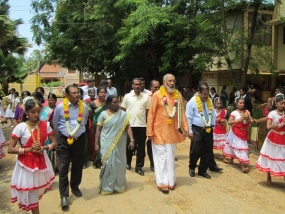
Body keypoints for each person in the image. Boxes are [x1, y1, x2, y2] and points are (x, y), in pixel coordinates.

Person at [8, 99, 57, 214]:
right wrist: (29, 149)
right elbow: (10, 149)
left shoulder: (46, 125)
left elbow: (54, 143)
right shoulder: (21, 127)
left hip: (41, 162)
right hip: (26, 165)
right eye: (33, 112)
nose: (36, 115)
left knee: (35, 193)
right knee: (31, 194)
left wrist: (44, 148)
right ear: (26, 112)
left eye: (38, 112)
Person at [147, 74, 188, 193]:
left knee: (170, 157)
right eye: (169, 81)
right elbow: (151, 114)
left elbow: (182, 113)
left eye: (173, 81)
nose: (172, 83)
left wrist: (185, 127)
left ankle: (171, 181)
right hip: (158, 131)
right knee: (161, 157)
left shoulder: (178, 95)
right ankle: (162, 182)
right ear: (164, 82)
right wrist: (149, 131)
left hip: (173, 132)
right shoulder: (157, 95)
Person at [53, 84, 89, 207]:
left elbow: (83, 122)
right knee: (63, 168)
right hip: (64, 140)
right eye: (73, 93)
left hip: (79, 139)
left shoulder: (84, 106)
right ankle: (63, 196)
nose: (76, 95)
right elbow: (55, 124)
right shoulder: (59, 108)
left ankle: (75, 187)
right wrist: (63, 135)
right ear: (66, 95)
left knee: (78, 165)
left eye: (77, 92)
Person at [95, 95, 134, 195]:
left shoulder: (123, 114)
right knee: (107, 163)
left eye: (118, 102)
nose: (118, 104)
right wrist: (96, 144)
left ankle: (118, 186)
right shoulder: (103, 114)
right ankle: (106, 187)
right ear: (108, 104)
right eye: (115, 103)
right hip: (106, 143)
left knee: (119, 163)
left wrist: (132, 140)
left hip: (120, 143)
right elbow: (98, 130)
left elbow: (128, 127)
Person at [186, 81, 222, 180]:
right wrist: (189, 131)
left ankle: (202, 170)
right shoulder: (192, 102)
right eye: (204, 94)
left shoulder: (209, 101)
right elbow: (188, 117)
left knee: (207, 149)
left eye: (207, 94)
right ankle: (192, 167)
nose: (206, 96)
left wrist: (213, 126)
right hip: (196, 128)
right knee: (196, 149)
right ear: (199, 92)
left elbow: (213, 114)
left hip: (208, 128)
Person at [121, 78, 150, 176]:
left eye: (139, 84)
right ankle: (128, 162)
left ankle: (139, 167)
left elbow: (147, 112)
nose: (138, 86)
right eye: (135, 84)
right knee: (130, 145)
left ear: (142, 85)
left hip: (142, 125)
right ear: (132, 85)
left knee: (141, 147)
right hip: (130, 125)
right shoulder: (127, 96)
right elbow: (123, 110)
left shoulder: (146, 97)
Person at [256, 93, 285, 185]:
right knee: (271, 157)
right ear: (276, 103)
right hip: (273, 138)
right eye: (281, 103)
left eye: (284, 103)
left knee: (283, 158)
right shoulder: (272, 113)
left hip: (283, 138)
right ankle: (268, 176)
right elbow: (268, 126)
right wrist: (279, 125)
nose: (283, 105)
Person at [223, 97, 253, 173]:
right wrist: (239, 120)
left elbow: (251, 119)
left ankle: (231, 160)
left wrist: (250, 120)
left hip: (243, 132)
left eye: (243, 103)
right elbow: (229, 122)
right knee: (239, 148)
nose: (242, 104)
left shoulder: (247, 112)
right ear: (237, 104)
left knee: (239, 147)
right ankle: (242, 166)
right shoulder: (234, 113)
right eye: (240, 103)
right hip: (235, 133)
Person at [40, 93, 58, 172]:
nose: (50, 101)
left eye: (52, 100)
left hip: (55, 130)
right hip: (46, 132)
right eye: (49, 100)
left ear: (55, 101)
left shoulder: (58, 109)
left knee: (54, 149)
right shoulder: (45, 110)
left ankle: (55, 167)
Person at [146, 79, 160, 172]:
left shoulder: (163, 96)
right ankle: (152, 163)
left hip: (160, 124)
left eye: (159, 87)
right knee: (149, 142)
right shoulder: (146, 97)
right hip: (148, 123)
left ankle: (158, 163)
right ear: (150, 88)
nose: (157, 89)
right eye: (155, 87)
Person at [91, 87, 108, 168]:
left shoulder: (108, 103)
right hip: (96, 125)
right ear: (97, 93)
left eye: (104, 92)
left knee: (104, 142)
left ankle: (103, 160)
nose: (102, 94)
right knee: (97, 142)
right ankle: (96, 161)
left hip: (106, 125)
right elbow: (90, 115)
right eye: (101, 92)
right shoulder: (92, 104)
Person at [213, 97, 228, 162]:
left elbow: (227, 119)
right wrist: (216, 119)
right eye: (217, 103)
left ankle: (224, 157)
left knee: (224, 143)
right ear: (215, 104)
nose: (219, 105)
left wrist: (223, 120)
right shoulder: (212, 111)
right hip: (214, 128)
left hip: (222, 129)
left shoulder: (225, 111)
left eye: (220, 103)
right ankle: (210, 155)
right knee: (212, 142)